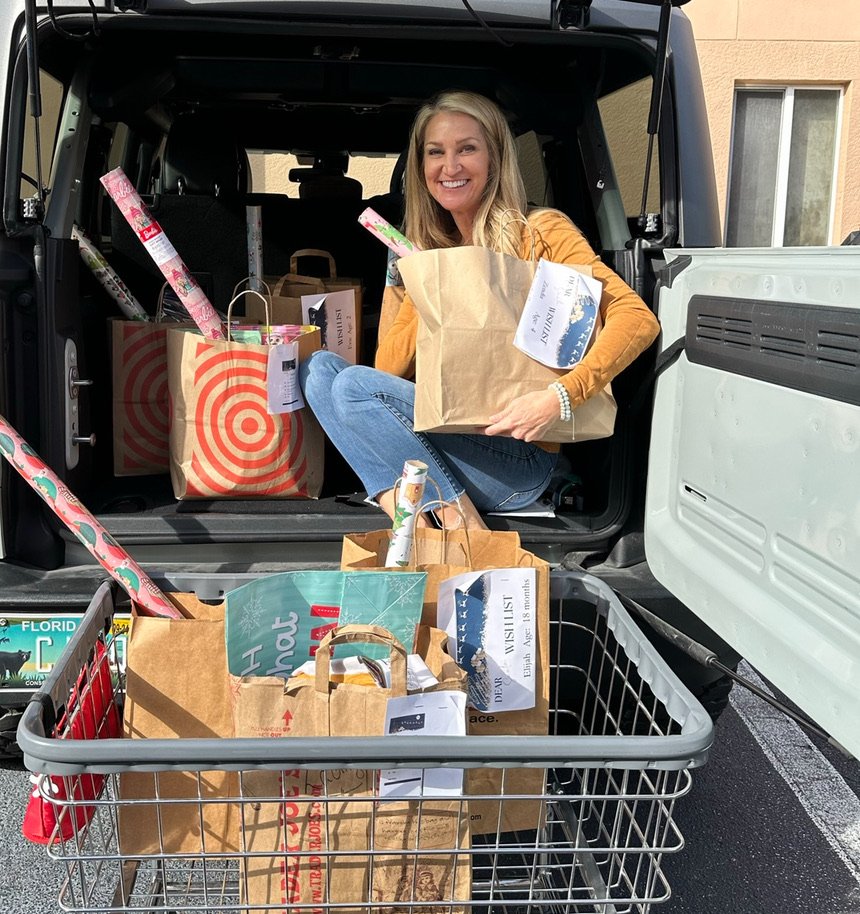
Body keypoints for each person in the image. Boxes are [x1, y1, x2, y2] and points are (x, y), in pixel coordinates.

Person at [299, 90, 660, 529]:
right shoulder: (425, 252)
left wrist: (560, 396)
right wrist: (416, 279)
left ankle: (457, 525)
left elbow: (636, 318)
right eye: (436, 153)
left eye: (466, 149)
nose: (449, 167)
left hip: (516, 458)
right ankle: (405, 513)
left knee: (354, 385)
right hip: (446, 439)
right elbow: (389, 371)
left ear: (495, 158)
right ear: (421, 168)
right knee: (318, 370)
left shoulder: (540, 231)